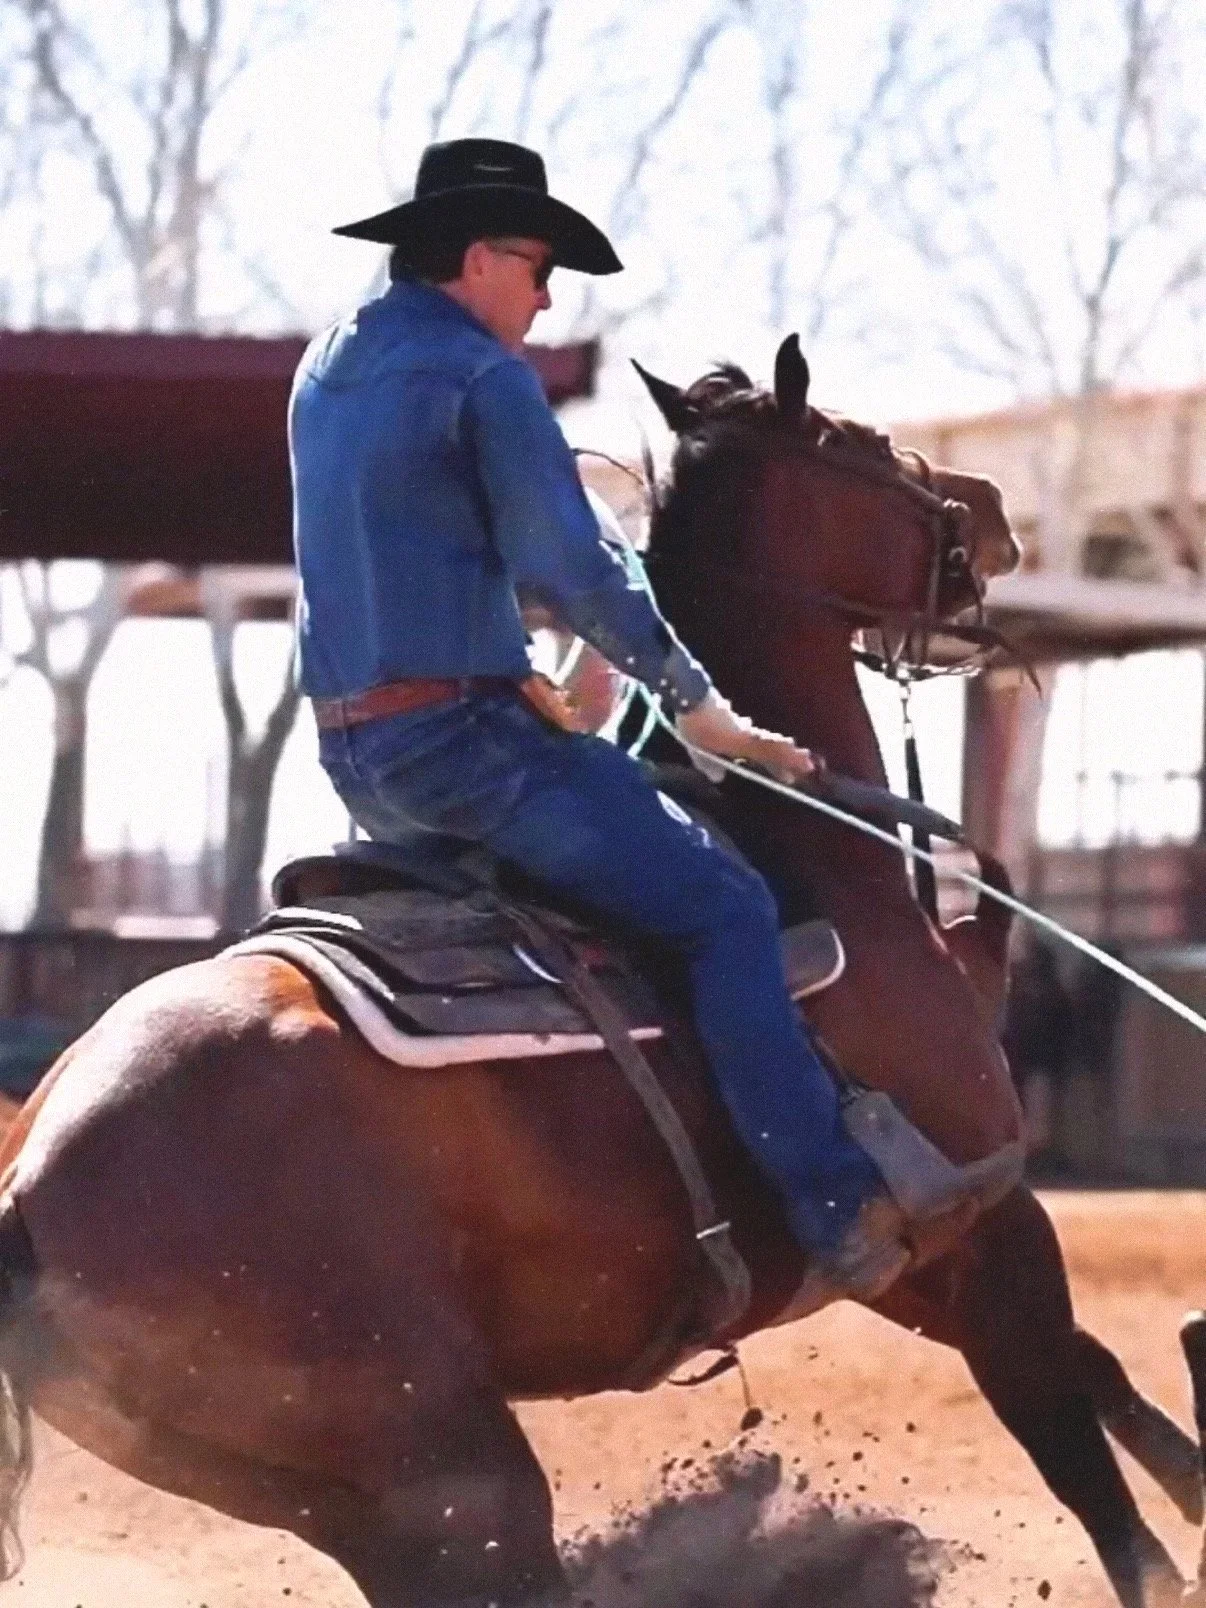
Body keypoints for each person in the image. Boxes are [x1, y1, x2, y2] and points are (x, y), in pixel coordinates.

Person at [289, 137, 977, 1305]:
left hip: (358, 755)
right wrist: (698, 709)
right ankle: (831, 1202)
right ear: (474, 257)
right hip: (471, 752)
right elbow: (569, 561)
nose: (548, 294)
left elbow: (410, 538)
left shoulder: (328, 368)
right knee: (721, 905)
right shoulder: (482, 377)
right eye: (538, 264)